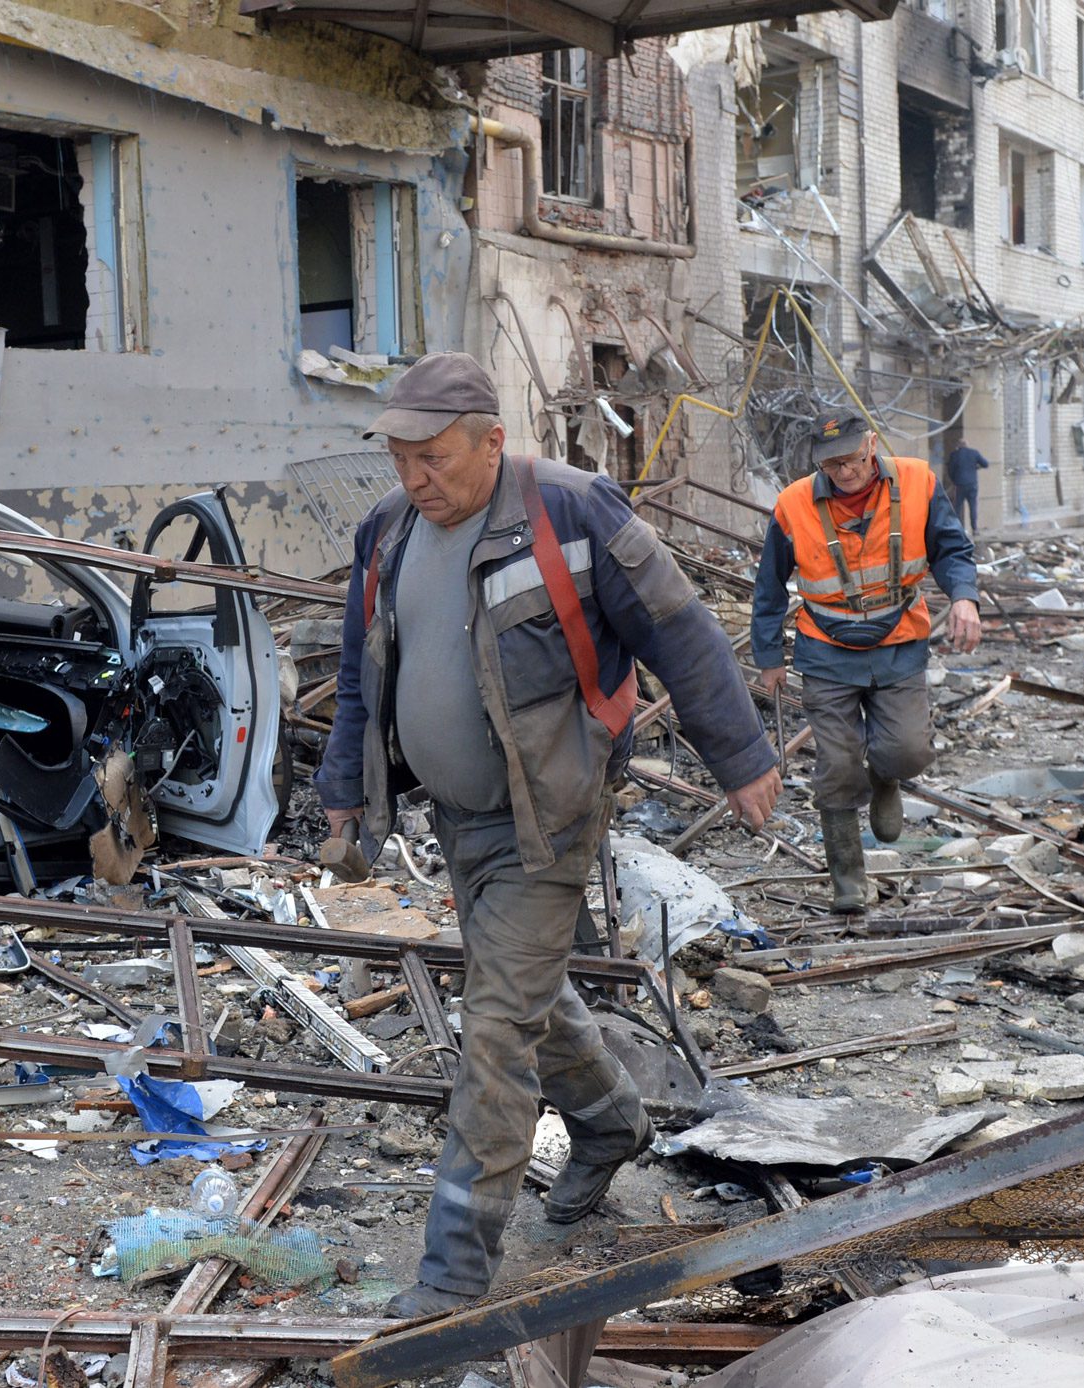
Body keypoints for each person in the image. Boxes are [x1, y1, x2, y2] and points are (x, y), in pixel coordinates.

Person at [316, 352, 782, 1319]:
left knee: (493, 1034)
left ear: (492, 441)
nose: (415, 479)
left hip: (550, 818)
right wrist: (342, 792)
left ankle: (451, 1274)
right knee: (520, 991)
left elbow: (679, 631)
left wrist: (741, 758)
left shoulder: (575, 511)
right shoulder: (388, 532)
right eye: (401, 459)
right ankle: (611, 1121)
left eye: (434, 458)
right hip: (455, 820)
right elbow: (363, 673)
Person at [751, 414, 982, 912]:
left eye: (853, 459)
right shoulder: (793, 504)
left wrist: (964, 597)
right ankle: (848, 880)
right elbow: (769, 586)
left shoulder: (918, 481)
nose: (845, 471)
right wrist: (769, 656)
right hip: (826, 649)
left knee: (908, 751)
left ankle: (886, 777)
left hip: (899, 642)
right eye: (831, 464)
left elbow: (952, 549)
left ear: (872, 444)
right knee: (835, 765)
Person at [943, 436, 991, 533]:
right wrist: (976, 467)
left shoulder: (954, 455)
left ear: (958, 446)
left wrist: (954, 480)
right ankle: (975, 529)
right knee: (973, 506)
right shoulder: (974, 453)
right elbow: (986, 464)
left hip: (959, 484)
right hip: (972, 484)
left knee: (957, 506)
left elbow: (950, 470)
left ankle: (956, 529)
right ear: (967, 445)